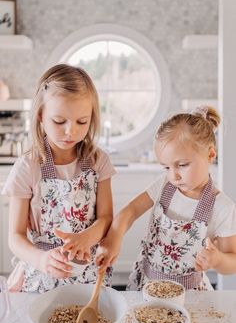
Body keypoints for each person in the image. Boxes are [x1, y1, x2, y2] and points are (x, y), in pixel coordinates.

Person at [2, 64, 115, 293]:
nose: (70, 131)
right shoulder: (28, 167)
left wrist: (87, 237)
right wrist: (41, 259)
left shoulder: (98, 161)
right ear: (41, 116)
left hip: (87, 273)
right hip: (42, 274)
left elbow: (105, 218)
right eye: (59, 121)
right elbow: (15, 237)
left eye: (81, 122)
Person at [96, 106, 236, 290]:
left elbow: (232, 260)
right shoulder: (164, 186)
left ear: (210, 154)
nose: (174, 176)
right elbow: (131, 210)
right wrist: (114, 236)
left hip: (189, 295)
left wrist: (217, 259)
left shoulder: (221, 206)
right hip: (146, 286)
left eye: (182, 165)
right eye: (166, 167)